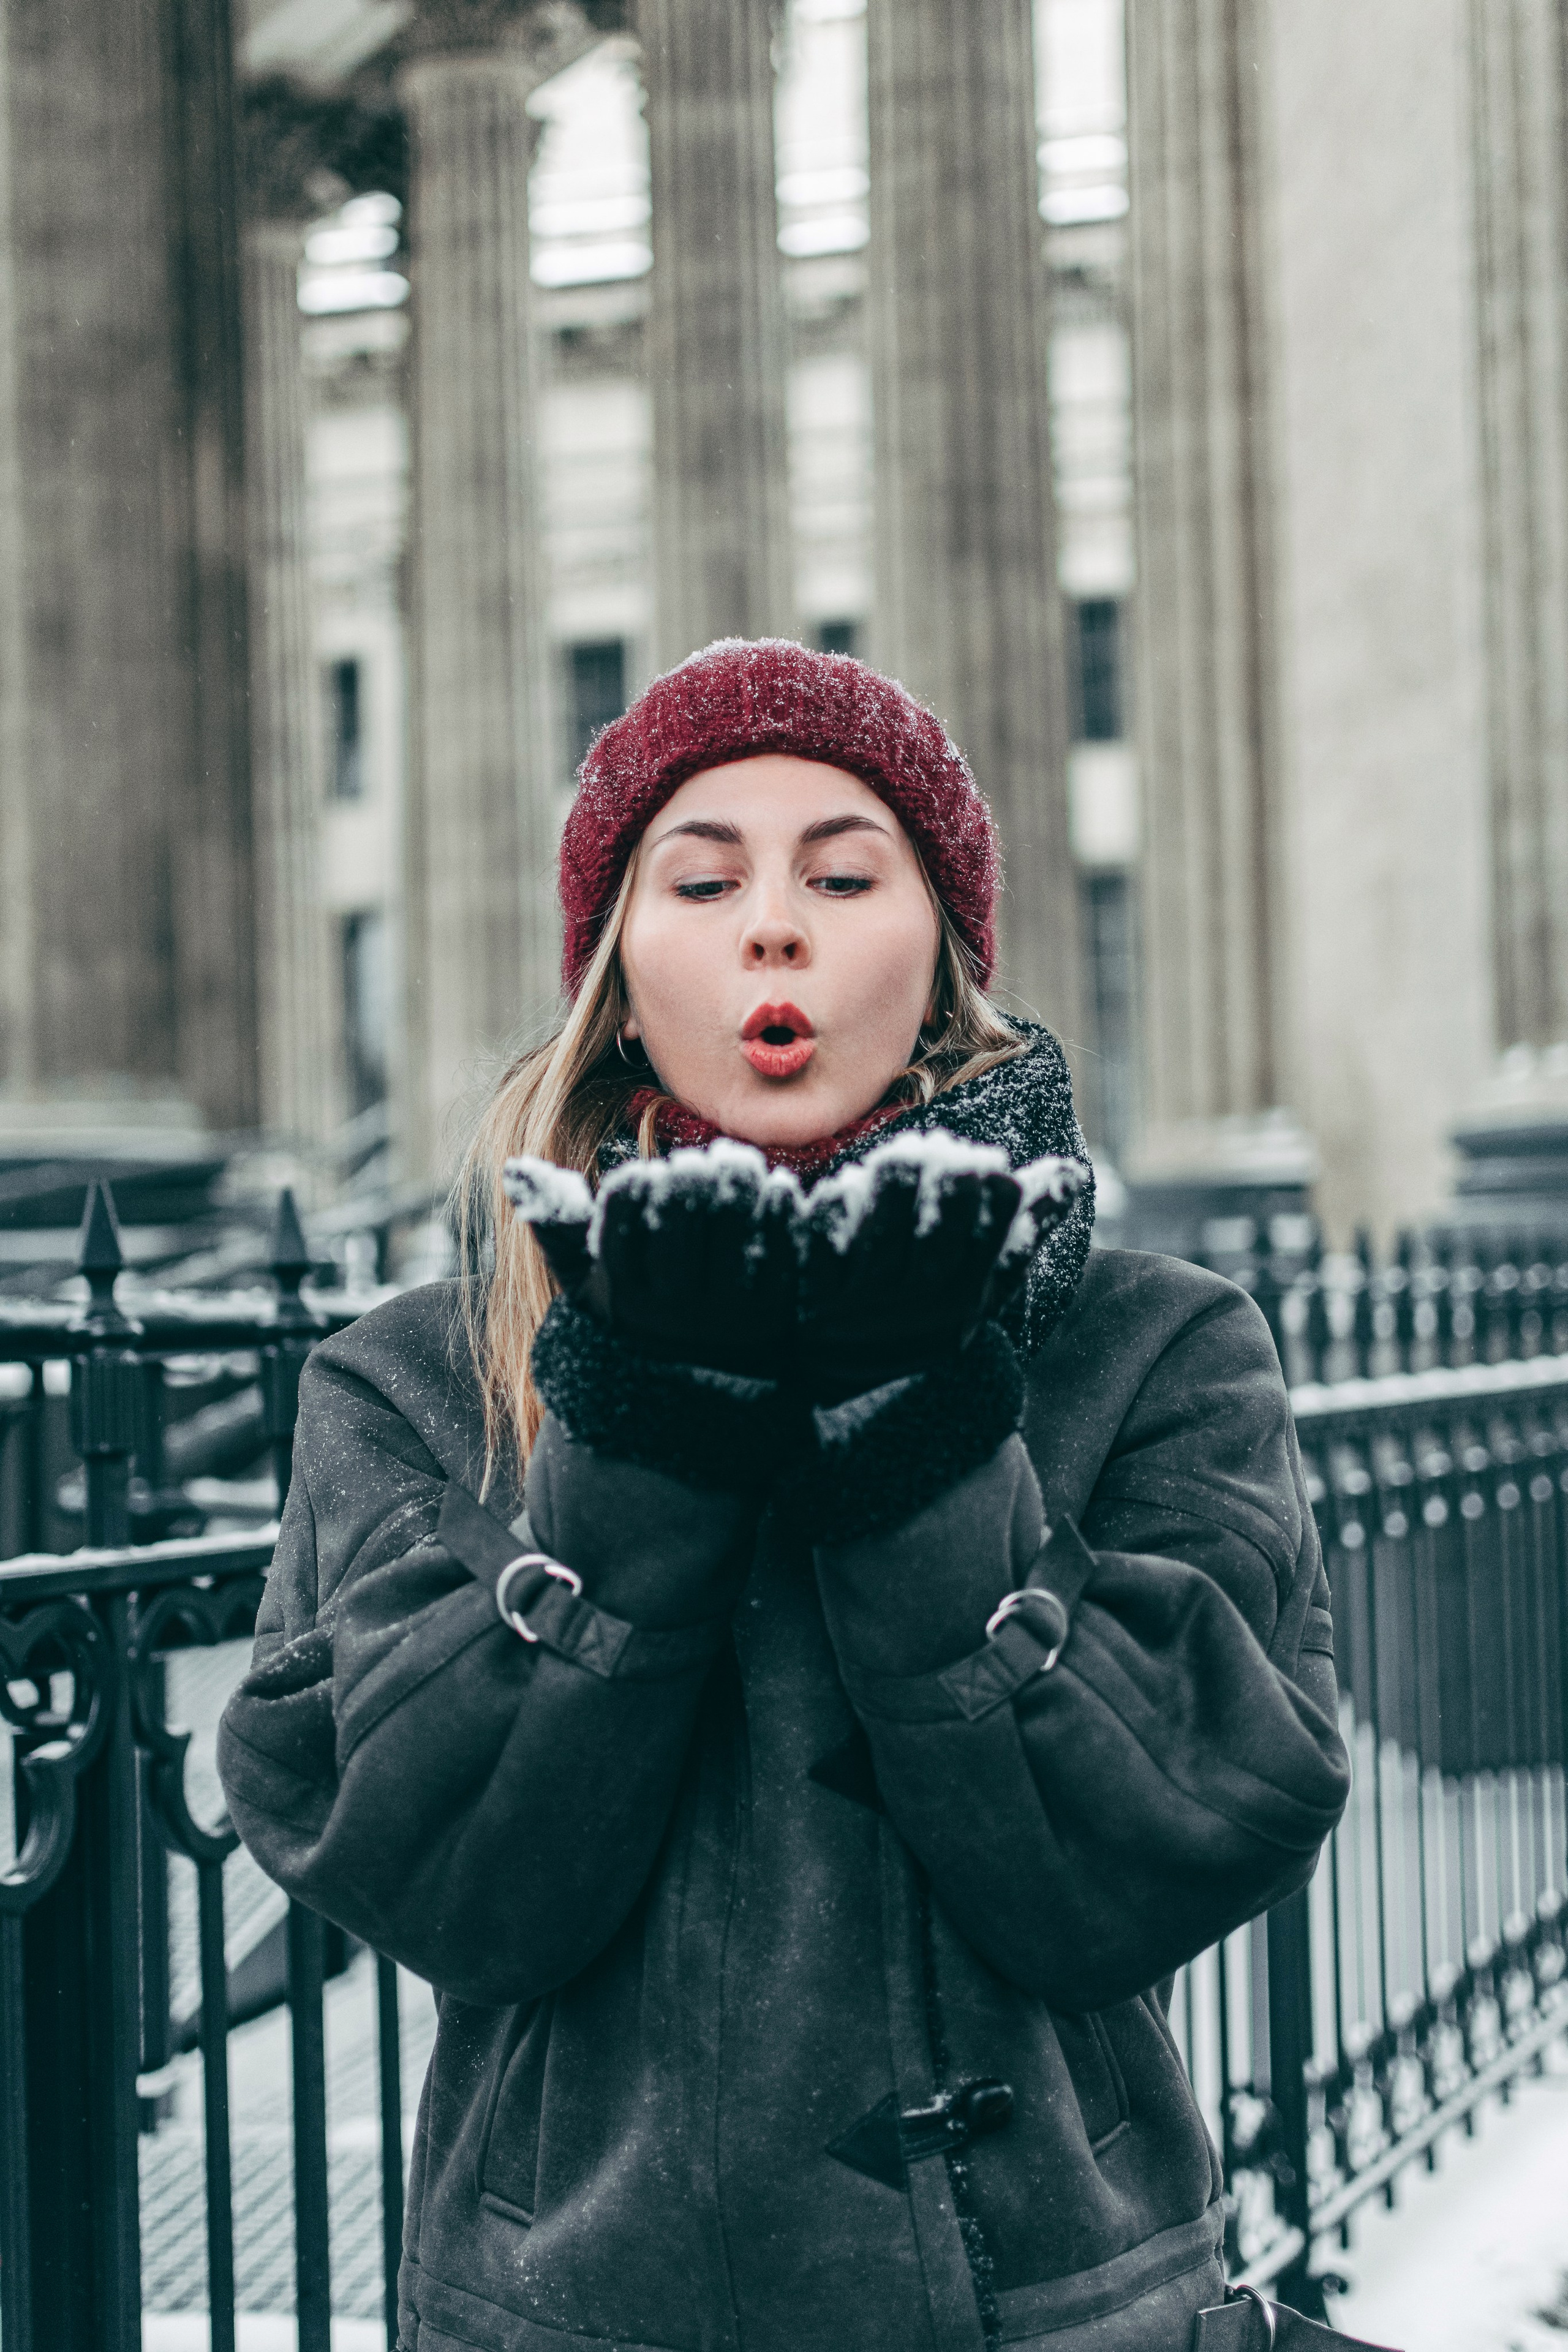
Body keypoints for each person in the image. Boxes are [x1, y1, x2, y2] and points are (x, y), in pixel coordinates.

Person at [218, 638, 1355, 2352]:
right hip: (574, 2311)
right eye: (701, 876)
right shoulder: (412, 1380)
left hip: (1055, 2308)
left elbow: (1187, 1842)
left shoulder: (1160, 1347)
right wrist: (638, 1448)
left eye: (844, 871)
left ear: (945, 959)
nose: (776, 925)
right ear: (616, 965)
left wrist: (926, 1444)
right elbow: (431, 1878)